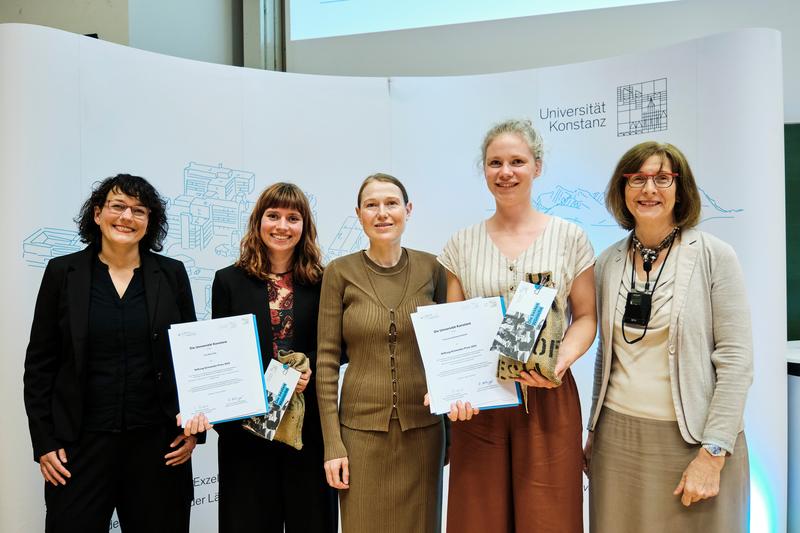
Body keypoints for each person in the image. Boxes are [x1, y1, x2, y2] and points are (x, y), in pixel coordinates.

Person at [585, 142, 752, 532]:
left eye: (662, 178)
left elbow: (736, 359)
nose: (648, 190)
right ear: (622, 189)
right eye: (637, 179)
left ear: (681, 189)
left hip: (692, 440)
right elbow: (605, 356)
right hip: (618, 441)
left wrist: (713, 452)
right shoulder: (607, 261)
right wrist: (593, 431)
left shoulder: (714, 256)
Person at [439, 119, 596, 533]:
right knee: (478, 518)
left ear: (537, 167)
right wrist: (452, 386)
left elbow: (587, 317)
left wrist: (561, 361)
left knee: (550, 518)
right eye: (495, 162)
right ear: (484, 169)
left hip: (549, 397)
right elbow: (453, 325)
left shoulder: (570, 237)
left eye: (517, 161)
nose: (505, 172)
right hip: (481, 403)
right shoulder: (461, 244)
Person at [23, 174, 198, 533]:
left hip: (158, 446)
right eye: (118, 206)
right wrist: (45, 442)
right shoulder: (62, 273)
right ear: (98, 214)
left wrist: (195, 429)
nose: (127, 217)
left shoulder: (172, 274)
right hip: (79, 448)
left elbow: (192, 357)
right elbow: (40, 365)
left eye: (139, 210)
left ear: (150, 222)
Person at [316, 173, 447, 533]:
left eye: (391, 203)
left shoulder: (433, 268)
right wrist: (333, 444)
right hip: (359, 436)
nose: (382, 213)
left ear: (408, 209)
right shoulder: (339, 273)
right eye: (371, 205)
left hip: (424, 434)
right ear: (359, 214)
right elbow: (326, 363)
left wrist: (448, 426)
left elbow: (448, 354)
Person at [208, 182, 337, 533]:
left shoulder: (325, 282)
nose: (282, 225)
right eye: (273, 215)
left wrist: (308, 363)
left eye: (292, 217)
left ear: (304, 227)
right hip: (247, 431)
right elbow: (221, 351)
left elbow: (338, 345)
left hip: (308, 430)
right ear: (258, 222)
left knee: (311, 522)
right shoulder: (228, 281)